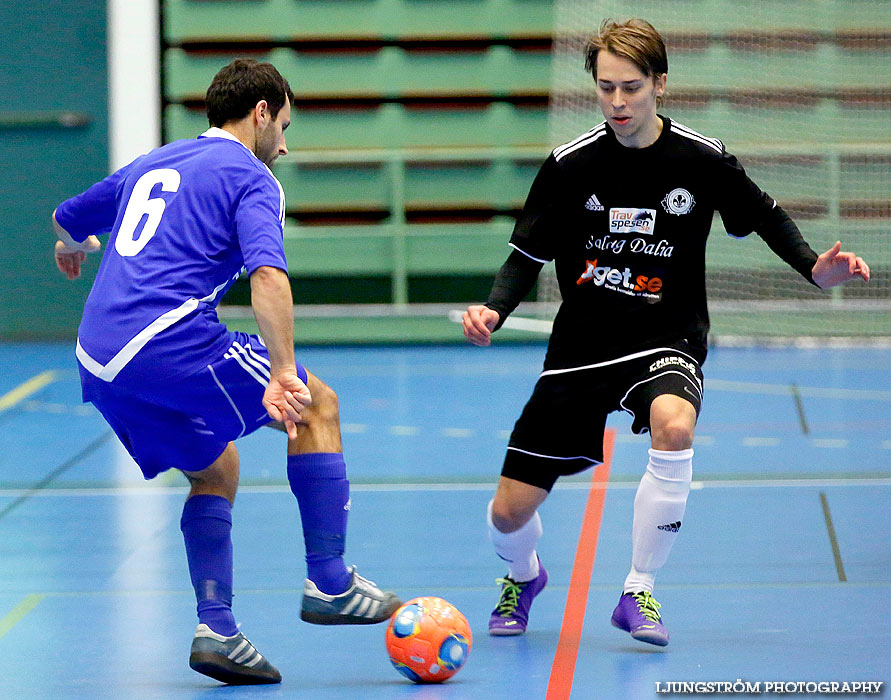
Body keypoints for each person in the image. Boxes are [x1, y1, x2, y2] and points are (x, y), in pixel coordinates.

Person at [461, 19, 870, 647]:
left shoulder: (701, 160)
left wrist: (814, 267)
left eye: (631, 87)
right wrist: (494, 310)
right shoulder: (569, 167)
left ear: (660, 85)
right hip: (582, 345)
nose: (618, 103)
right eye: (605, 89)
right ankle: (524, 574)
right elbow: (526, 255)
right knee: (508, 512)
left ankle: (639, 588)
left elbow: (764, 216)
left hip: (666, 336)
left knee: (675, 425)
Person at [52, 58, 401, 685]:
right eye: (285, 126)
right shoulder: (252, 176)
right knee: (315, 405)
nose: (286, 145)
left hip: (97, 358)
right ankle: (329, 581)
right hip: (164, 340)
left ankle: (217, 629)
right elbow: (268, 275)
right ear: (261, 112)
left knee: (218, 464)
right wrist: (284, 372)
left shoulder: (155, 161)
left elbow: (68, 217)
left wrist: (72, 248)